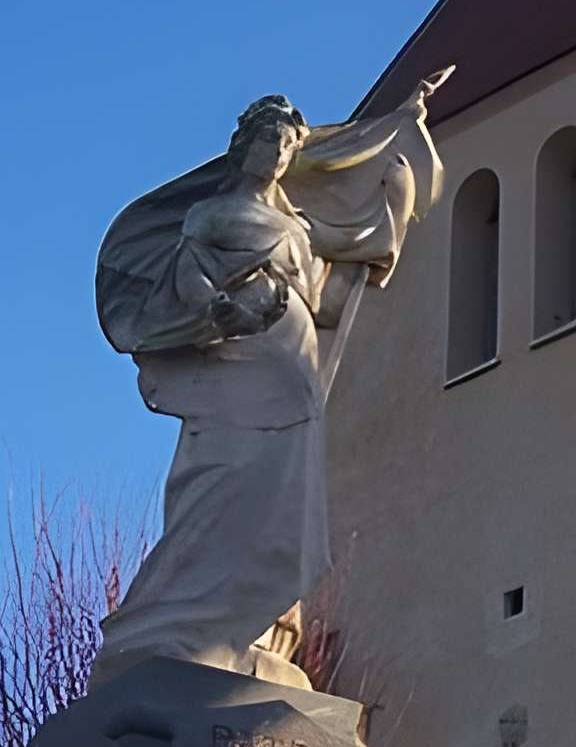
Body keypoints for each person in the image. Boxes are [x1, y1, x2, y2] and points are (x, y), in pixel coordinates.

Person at [91, 77, 445, 688]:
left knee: (280, 503)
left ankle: (254, 634)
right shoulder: (214, 213)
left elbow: (336, 277)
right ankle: (180, 621)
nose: (278, 155)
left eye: (287, 147)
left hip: (294, 371)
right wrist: (220, 310)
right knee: (221, 482)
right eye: (269, 142)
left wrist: (400, 145)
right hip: (239, 364)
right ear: (243, 146)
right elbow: (190, 279)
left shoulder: (299, 227)